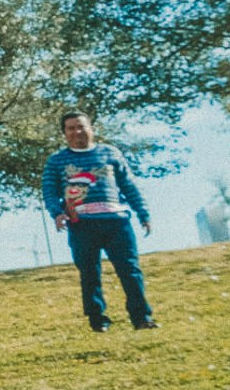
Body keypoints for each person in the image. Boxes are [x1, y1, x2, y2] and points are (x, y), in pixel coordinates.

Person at [41, 110, 157, 332]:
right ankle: (97, 319)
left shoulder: (110, 153)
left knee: (130, 270)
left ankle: (141, 317)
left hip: (116, 221)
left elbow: (129, 185)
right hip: (81, 223)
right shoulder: (56, 161)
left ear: (91, 128)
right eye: (71, 128)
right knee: (89, 272)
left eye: (81, 126)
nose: (77, 132)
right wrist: (57, 213)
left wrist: (143, 213)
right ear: (64, 133)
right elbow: (48, 191)